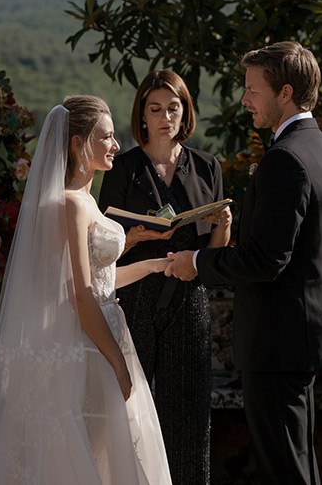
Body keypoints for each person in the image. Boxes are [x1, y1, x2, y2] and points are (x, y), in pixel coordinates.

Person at [0, 95, 173, 485]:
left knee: (100, 455)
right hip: (88, 345)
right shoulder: (72, 205)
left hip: (102, 333)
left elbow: (102, 281)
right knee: (88, 457)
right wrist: (118, 365)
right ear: (78, 143)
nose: (116, 145)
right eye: (106, 137)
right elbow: (81, 296)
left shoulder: (84, 200)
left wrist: (157, 265)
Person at [165, 42, 322, 485]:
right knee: (296, 467)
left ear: (285, 92)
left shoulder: (286, 159)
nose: (244, 100)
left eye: (253, 90)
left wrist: (198, 261)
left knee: (285, 471)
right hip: (294, 340)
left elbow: (267, 260)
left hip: (278, 341)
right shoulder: (319, 148)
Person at [98, 70, 232, 485]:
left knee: (189, 419)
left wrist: (224, 222)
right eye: (155, 109)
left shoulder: (208, 167)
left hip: (189, 303)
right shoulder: (122, 169)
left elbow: (216, 254)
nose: (164, 117)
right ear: (141, 114)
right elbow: (101, 248)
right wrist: (136, 235)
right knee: (127, 414)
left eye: (173, 108)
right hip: (134, 299)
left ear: (185, 112)